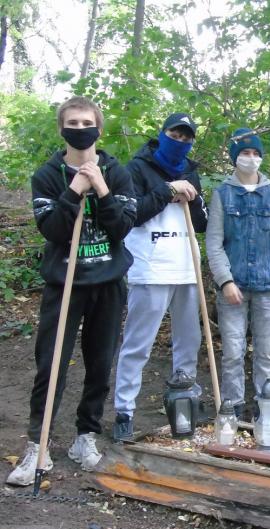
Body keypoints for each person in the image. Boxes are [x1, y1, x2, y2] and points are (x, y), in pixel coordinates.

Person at [6, 96, 136, 486]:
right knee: (51, 364)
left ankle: (85, 437)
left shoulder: (117, 171)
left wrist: (101, 187)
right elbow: (55, 231)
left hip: (108, 283)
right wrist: (75, 189)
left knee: (99, 364)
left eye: (87, 122)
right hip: (65, 283)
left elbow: (122, 227)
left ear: (99, 125)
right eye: (73, 123)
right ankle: (38, 444)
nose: (80, 129)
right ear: (62, 128)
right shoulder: (47, 175)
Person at [112, 113, 207, 441]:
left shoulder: (192, 172)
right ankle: (124, 411)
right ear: (162, 132)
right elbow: (130, 214)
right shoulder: (135, 168)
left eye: (186, 138)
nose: (180, 141)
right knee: (138, 343)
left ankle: (185, 402)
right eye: (174, 134)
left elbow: (203, 221)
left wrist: (190, 198)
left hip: (187, 267)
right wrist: (167, 191)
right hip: (150, 268)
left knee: (188, 342)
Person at [206, 128, 270, 419]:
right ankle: (232, 408)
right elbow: (213, 242)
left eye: (256, 153)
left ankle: (266, 405)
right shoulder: (223, 194)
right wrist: (225, 281)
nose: (251, 158)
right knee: (233, 351)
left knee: (265, 352)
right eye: (245, 153)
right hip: (234, 287)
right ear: (235, 157)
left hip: (269, 285)